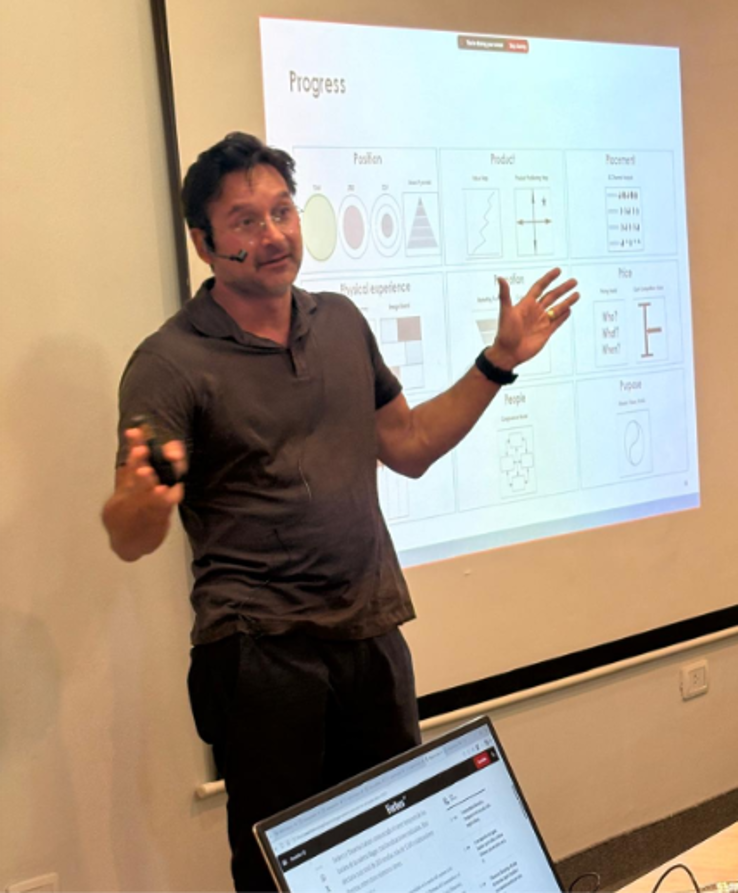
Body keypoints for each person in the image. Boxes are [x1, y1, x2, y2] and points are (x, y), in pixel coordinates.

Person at [102, 132, 579, 892]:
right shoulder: (171, 362)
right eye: (245, 220)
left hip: (370, 631)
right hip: (259, 651)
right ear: (203, 241)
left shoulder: (342, 323)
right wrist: (141, 500)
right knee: (282, 869)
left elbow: (410, 444)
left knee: (401, 850)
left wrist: (498, 363)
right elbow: (131, 536)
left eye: (282, 211)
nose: (273, 235)